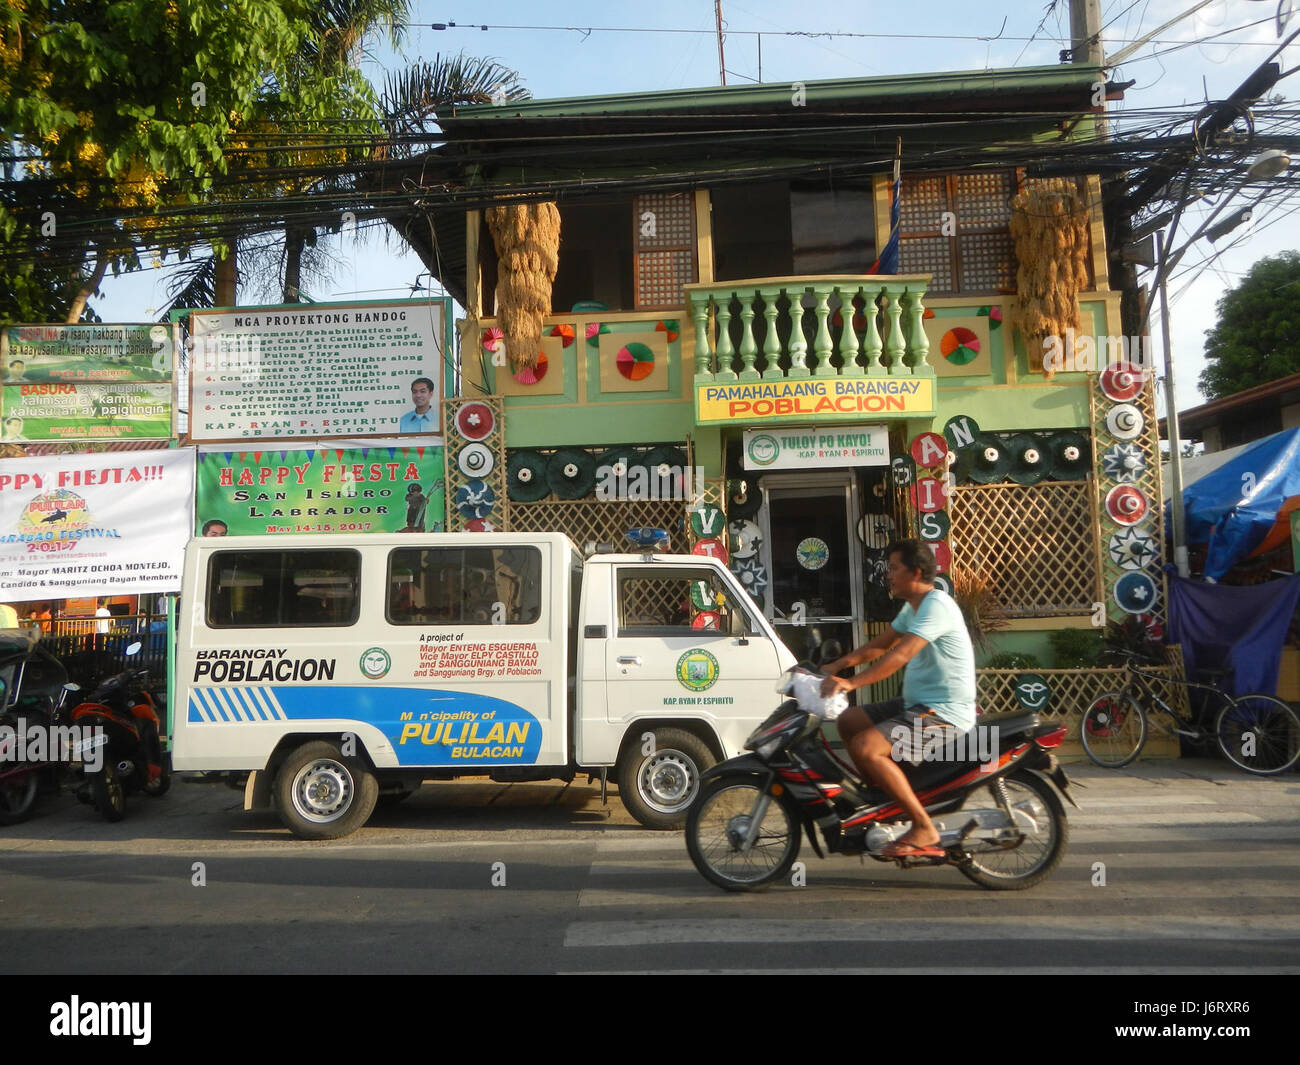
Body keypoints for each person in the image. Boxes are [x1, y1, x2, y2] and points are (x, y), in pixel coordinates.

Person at [820, 538, 976, 859]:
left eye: (894, 568)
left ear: (915, 572)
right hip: (915, 705)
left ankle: (923, 826)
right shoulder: (914, 607)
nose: (888, 574)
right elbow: (880, 646)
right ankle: (882, 798)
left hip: (943, 714)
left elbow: (899, 656)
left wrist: (850, 685)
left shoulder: (937, 606)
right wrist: (836, 665)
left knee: (866, 747)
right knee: (847, 721)